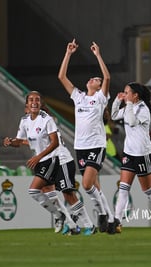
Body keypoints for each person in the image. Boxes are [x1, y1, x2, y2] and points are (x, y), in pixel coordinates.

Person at [58, 39, 115, 233]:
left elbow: (107, 78)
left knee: (86, 184)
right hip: (80, 147)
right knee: (95, 187)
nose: (94, 79)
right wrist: (68, 53)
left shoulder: (100, 98)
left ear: (99, 88)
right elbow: (62, 76)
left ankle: (100, 213)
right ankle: (111, 220)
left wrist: (98, 55)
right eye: (93, 78)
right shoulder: (79, 97)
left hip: (95, 146)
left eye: (96, 80)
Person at [111, 82, 151, 234]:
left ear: (135, 95)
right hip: (129, 153)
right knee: (123, 188)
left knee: (148, 190)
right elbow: (113, 115)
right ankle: (117, 222)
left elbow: (131, 122)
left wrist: (129, 104)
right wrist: (117, 101)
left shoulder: (143, 109)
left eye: (126, 92)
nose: (124, 95)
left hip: (143, 154)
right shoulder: (128, 107)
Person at [3, 91, 67, 234]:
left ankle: (59, 216)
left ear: (40, 103)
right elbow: (19, 141)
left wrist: (38, 157)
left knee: (33, 190)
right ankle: (68, 220)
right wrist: (10, 142)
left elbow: (55, 143)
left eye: (37, 99)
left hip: (50, 159)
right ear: (26, 104)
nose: (34, 102)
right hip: (39, 162)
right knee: (48, 191)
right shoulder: (24, 120)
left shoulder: (47, 119)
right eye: (31, 99)